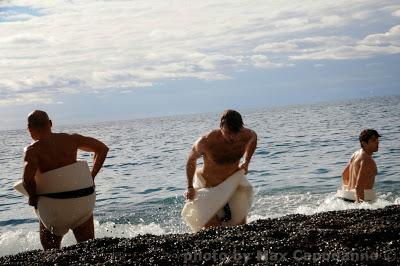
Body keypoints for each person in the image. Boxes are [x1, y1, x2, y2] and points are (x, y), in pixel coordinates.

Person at [22, 110, 109, 250]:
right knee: (89, 248)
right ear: (50, 123)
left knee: (51, 251)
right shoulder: (72, 139)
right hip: (82, 204)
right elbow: (102, 149)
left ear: (29, 129)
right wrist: (91, 177)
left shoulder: (32, 150)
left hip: (55, 210)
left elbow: (27, 180)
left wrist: (33, 197)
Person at [185, 109, 257, 228]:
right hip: (209, 187)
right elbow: (191, 160)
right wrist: (189, 187)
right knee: (212, 228)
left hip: (232, 183)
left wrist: (246, 162)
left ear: (241, 128)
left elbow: (253, 141)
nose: (232, 137)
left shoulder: (248, 135)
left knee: (241, 225)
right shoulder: (206, 141)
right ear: (221, 126)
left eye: (236, 132)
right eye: (228, 132)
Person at [342, 129, 380, 203]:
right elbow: (359, 186)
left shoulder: (356, 154)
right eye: (373, 141)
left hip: (347, 197)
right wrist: (360, 207)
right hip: (362, 199)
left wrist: (350, 191)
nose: (377, 143)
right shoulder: (367, 160)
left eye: (377, 140)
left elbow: (344, 175)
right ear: (364, 143)